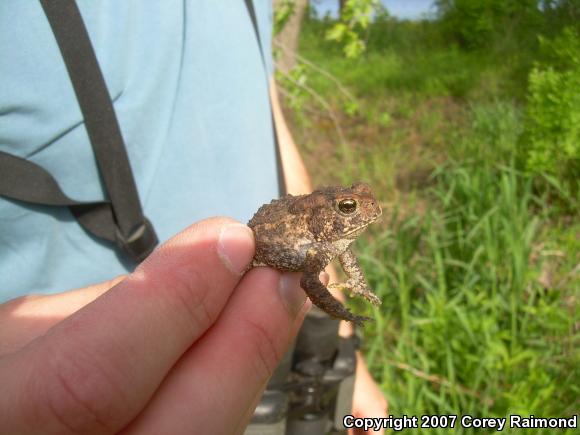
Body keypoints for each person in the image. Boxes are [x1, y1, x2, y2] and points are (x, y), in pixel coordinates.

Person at [0, 1, 387, 433]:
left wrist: (340, 343)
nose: (363, 210)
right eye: (351, 207)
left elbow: (270, 118)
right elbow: (314, 281)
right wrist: (339, 312)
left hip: (280, 352)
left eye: (356, 202)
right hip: (103, 377)